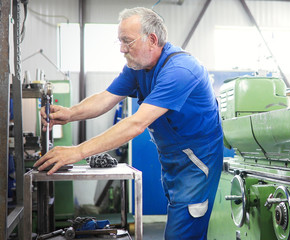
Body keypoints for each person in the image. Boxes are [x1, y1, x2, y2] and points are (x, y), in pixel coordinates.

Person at [34, 7, 224, 240]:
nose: (122, 49)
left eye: (127, 41)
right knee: (180, 221)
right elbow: (106, 97)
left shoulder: (180, 71)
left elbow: (136, 124)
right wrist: (70, 113)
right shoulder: (138, 67)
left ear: (152, 40)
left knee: (181, 233)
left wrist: (77, 152)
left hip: (197, 162)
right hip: (173, 159)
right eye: (120, 42)